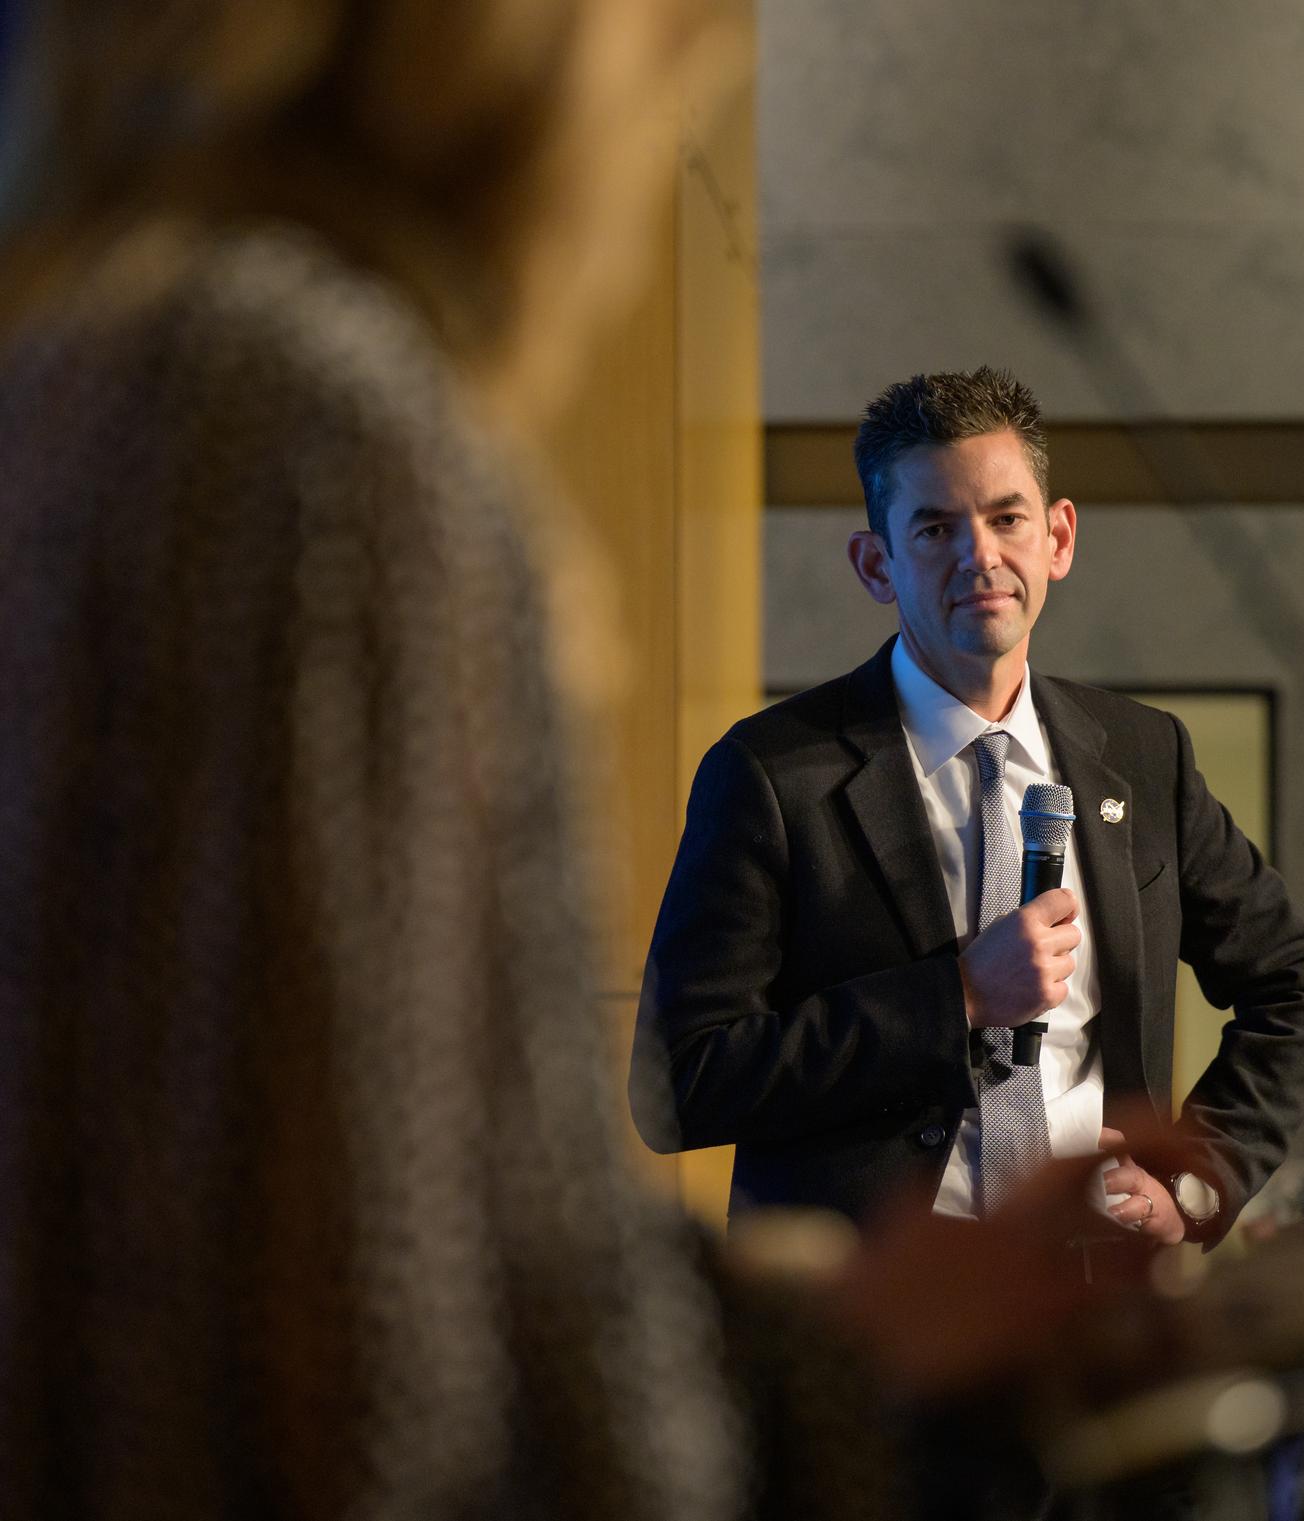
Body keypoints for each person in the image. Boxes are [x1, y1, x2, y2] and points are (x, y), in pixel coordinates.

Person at [0, 7, 1122, 1519]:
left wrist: (850, 1318)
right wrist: (873, 1385)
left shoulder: (110, 367)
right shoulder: (319, 432)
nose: (648, 171)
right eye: (672, 61)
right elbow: (381, 1372)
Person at [637, 367, 1304, 1246]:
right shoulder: (772, 774)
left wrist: (1198, 1180)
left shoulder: (1141, 754)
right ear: (877, 564)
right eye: (936, 528)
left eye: (1007, 517)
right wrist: (957, 996)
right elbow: (680, 1082)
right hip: (875, 1314)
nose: (980, 555)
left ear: (1058, 538)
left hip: (1092, 1293)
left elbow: (1299, 983)